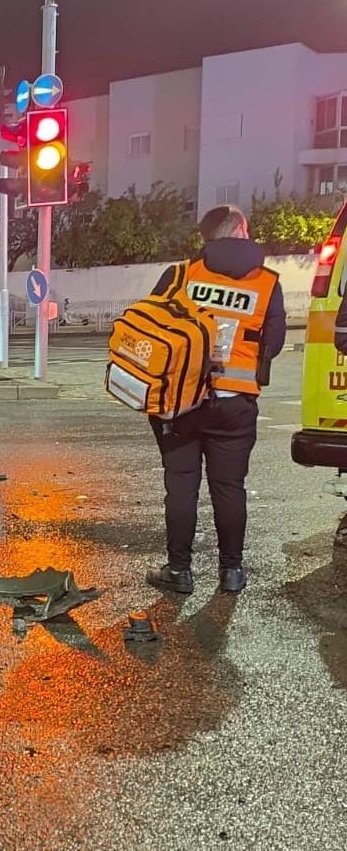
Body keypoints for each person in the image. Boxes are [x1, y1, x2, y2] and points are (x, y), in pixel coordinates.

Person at [145, 204, 285, 594]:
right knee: (229, 487)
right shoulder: (267, 282)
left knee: (181, 485)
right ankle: (232, 571)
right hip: (235, 403)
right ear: (240, 230)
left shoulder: (181, 275)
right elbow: (273, 343)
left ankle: (179, 571)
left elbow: (151, 327)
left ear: (206, 237)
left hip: (182, 401)